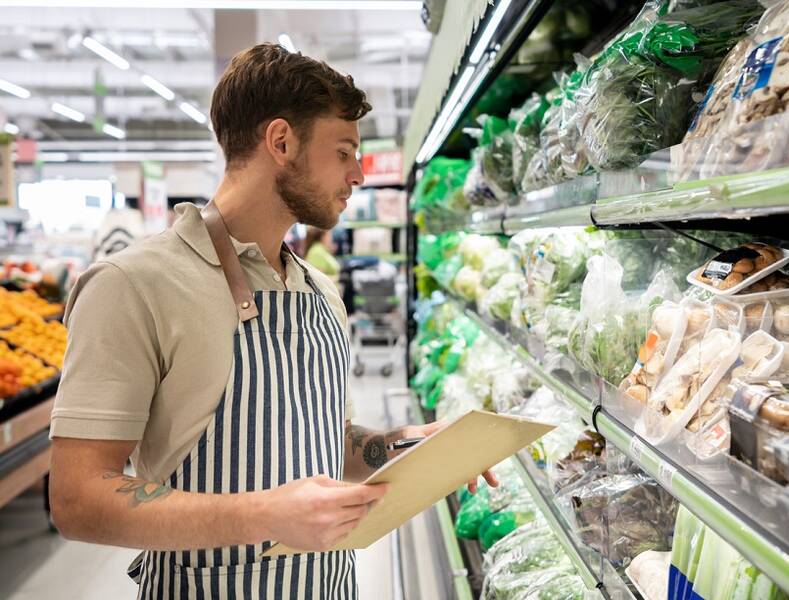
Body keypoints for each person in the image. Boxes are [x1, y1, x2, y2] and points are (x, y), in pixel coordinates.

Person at [48, 43, 496, 599]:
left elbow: (323, 441)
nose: (359, 173)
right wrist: (263, 514)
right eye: (344, 151)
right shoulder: (132, 284)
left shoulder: (319, 291)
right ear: (281, 142)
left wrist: (406, 444)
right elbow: (76, 499)